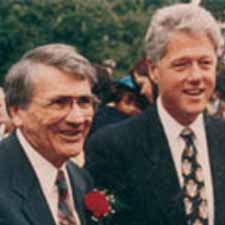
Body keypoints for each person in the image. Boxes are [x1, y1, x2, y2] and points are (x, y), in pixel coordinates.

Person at [85, 3, 225, 225]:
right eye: (182, 65)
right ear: (153, 69)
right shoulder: (112, 148)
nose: (196, 76)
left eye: (205, 63)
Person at [0, 43, 97, 225]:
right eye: (59, 103)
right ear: (16, 112)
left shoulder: (80, 179)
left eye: (84, 101)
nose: (77, 119)